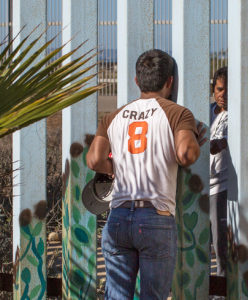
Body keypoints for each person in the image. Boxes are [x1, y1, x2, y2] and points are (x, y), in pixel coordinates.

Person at [87, 49, 207, 300]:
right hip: (155, 218)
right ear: (170, 82)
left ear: (137, 81)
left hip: (117, 218)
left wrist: (116, 167)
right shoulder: (177, 113)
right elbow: (186, 155)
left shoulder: (112, 117)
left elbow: (94, 160)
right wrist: (195, 137)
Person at [208, 67, 230, 276]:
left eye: (227, 89)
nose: (223, 94)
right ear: (213, 90)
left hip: (220, 186)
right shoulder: (207, 111)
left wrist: (221, 143)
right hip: (200, 185)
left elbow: (222, 143)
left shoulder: (235, 116)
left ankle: (221, 287)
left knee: (219, 241)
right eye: (220, 89)